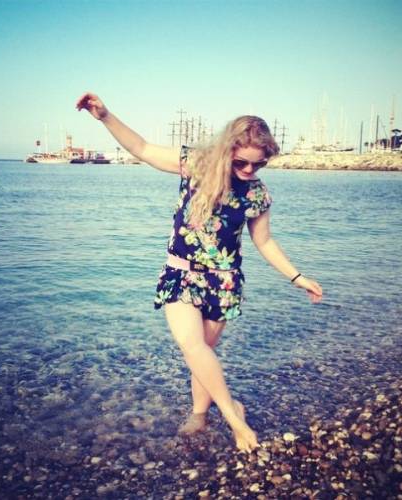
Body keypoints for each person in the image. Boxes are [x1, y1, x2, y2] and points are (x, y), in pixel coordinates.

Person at [76, 92, 323, 453]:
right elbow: (142, 148)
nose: (249, 171)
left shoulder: (256, 194)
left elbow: (265, 242)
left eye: (258, 165)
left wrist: (298, 278)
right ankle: (234, 416)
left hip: (223, 282)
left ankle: (199, 414)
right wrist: (105, 116)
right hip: (181, 274)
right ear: (227, 150)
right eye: (242, 163)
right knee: (192, 346)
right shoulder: (196, 164)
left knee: (202, 353)